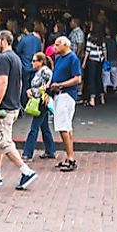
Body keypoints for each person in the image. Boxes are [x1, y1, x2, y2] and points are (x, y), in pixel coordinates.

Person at [0, 30, 38, 190]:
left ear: (3, 41)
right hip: (13, 105)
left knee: (3, 141)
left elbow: (3, 82)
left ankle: (26, 171)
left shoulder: (3, 58)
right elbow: (18, 83)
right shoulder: (15, 58)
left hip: (5, 107)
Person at [48, 36, 82, 172]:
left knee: (62, 126)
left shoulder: (72, 58)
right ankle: (69, 157)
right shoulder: (58, 58)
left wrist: (61, 85)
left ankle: (71, 157)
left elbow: (77, 78)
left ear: (65, 45)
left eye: (57, 45)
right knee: (67, 126)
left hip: (66, 95)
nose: (55, 47)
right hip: (58, 94)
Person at [21, 52, 56, 161]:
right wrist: (30, 91)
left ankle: (28, 152)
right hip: (38, 100)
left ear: (41, 62)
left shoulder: (45, 72)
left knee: (34, 127)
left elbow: (48, 86)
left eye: (34, 60)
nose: (32, 63)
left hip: (41, 101)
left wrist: (47, 95)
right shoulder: (38, 72)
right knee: (44, 126)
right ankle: (50, 150)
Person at [14, 23, 41, 94]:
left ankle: (24, 103)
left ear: (25, 30)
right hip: (35, 66)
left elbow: (18, 50)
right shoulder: (38, 40)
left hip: (25, 66)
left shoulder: (24, 39)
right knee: (34, 86)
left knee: (25, 87)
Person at [82, 30, 106, 107]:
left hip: (92, 60)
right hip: (100, 60)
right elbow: (104, 50)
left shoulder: (90, 37)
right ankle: (102, 97)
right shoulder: (101, 38)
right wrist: (105, 60)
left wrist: (84, 62)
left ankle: (92, 99)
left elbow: (87, 51)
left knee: (91, 79)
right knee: (99, 78)